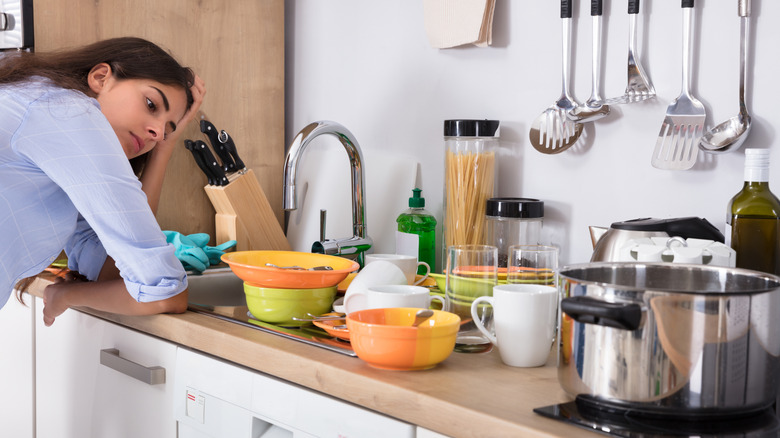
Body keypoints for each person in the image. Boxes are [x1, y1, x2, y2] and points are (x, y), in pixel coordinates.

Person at [0, 37, 206, 326]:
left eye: (166, 130)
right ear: (101, 77)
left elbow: (111, 272)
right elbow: (164, 293)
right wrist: (64, 295)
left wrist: (164, 148)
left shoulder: (48, 115)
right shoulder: (69, 113)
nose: (157, 132)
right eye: (151, 104)